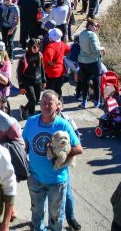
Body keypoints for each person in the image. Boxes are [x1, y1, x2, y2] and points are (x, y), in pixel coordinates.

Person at [22, 90, 83, 231]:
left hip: (57, 181)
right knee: (37, 213)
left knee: (56, 216)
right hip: (35, 178)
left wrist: (59, 154)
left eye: (50, 103)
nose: (46, 106)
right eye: (43, 103)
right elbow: (24, 145)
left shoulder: (63, 125)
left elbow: (79, 148)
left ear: (57, 105)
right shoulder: (31, 122)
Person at [77, 19, 105, 108]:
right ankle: (97, 102)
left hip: (82, 61)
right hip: (93, 62)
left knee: (85, 82)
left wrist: (97, 29)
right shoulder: (92, 35)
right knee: (96, 82)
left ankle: (84, 102)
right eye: (95, 26)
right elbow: (94, 48)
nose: (96, 27)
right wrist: (103, 48)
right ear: (90, 26)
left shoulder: (82, 33)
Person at [17, 38, 46, 120]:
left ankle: (25, 108)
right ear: (29, 47)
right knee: (32, 100)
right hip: (28, 82)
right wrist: (21, 86)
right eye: (34, 47)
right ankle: (32, 117)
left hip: (38, 81)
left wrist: (44, 80)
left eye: (37, 46)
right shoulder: (24, 58)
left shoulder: (40, 55)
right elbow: (20, 73)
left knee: (36, 100)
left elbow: (42, 68)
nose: (36, 48)